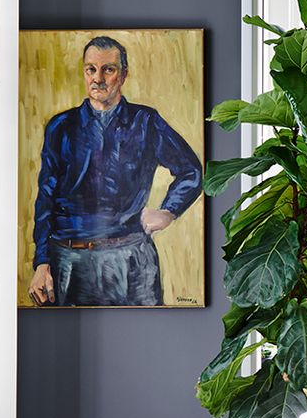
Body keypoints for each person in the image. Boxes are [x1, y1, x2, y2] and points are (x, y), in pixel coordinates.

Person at [29, 35, 202, 307]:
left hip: (131, 259)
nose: (98, 78)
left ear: (123, 75)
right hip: (69, 261)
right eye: (91, 69)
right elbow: (45, 198)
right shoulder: (61, 127)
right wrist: (41, 262)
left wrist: (168, 211)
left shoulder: (146, 122)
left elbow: (191, 171)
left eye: (108, 69)